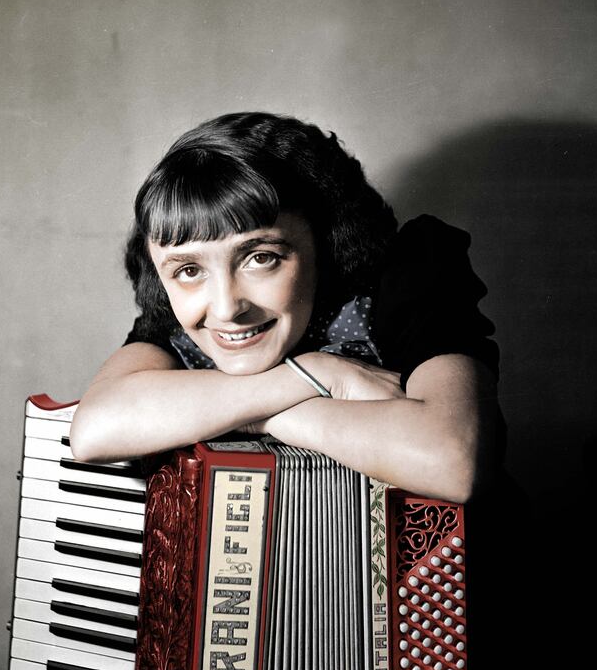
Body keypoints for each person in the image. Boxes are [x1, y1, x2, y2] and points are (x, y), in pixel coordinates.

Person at [70, 112, 502, 504]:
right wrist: (315, 375)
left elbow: (453, 463)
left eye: (261, 258)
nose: (225, 308)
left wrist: (257, 415)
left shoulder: (410, 277)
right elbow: (92, 430)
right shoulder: (176, 319)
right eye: (187, 269)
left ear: (324, 243)